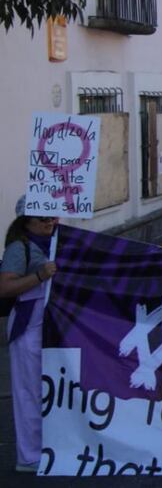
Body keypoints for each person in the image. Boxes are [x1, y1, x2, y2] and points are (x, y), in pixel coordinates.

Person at [1, 197, 58, 473]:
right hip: (29, 322)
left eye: (52, 216)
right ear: (27, 221)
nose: (50, 221)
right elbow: (5, 288)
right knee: (28, 390)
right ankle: (30, 454)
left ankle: (54, 446)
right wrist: (39, 276)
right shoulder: (18, 247)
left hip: (54, 322)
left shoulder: (60, 241)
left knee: (54, 389)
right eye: (43, 218)